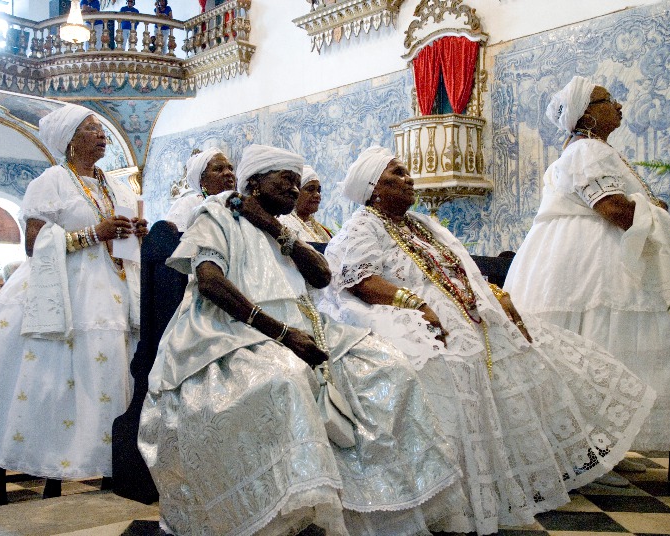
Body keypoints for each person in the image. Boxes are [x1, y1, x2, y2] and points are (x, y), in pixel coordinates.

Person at [318, 146, 656, 535]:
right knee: (456, 365)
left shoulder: (422, 225)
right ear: (374, 188)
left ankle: (569, 465)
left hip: (467, 311)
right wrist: (417, 305)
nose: (408, 178)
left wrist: (496, 294)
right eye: (396, 173)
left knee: (539, 350)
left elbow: (461, 269)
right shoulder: (361, 227)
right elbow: (361, 281)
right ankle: (453, 497)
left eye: (407, 172)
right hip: (407, 315)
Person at [139, 144, 463, 536]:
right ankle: (290, 514)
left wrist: (275, 228)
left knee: (388, 365)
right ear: (254, 184)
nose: (295, 190)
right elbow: (209, 282)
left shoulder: (283, 230)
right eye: (286, 180)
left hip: (306, 327)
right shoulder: (218, 214)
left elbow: (323, 276)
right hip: (230, 333)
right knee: (285, 379)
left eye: (297, 181)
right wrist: (281, 333)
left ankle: (381, 508)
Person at [0, 104, 147, 498]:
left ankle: (114, 461)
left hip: (113, 286)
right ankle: (56, 461)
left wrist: (134, 231)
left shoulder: (116, 185)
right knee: (56, 373)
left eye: (102, 129)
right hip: (64, 288)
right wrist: (93, 234)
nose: (102, 136)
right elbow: (33, 244)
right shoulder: (52, 181)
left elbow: (116, 231)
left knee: (117, 366)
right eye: (92, 129)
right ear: (70, 140)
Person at [504, 76, 670, 455]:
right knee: (600, 341)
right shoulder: (588, 151)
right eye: (608, 100)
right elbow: (612, 208)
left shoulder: (575, 153)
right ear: (586, 113)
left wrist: (653, 212)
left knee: (585, 346)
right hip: (590, 261)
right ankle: (594, 445)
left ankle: (588, 446)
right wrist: (660, 219)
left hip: (558, 260)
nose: (618, 106)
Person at [164, 147, 236, 231]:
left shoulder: (239, 204)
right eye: (218, 169)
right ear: (202, 180)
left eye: (230, 168)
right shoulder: (187, 204)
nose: (228, 173)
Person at [279, 164, 333, 243]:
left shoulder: (324, 231)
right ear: (295, 192)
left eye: (318, 190)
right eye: (310, 189)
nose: (317, 195)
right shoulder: (283, 225)